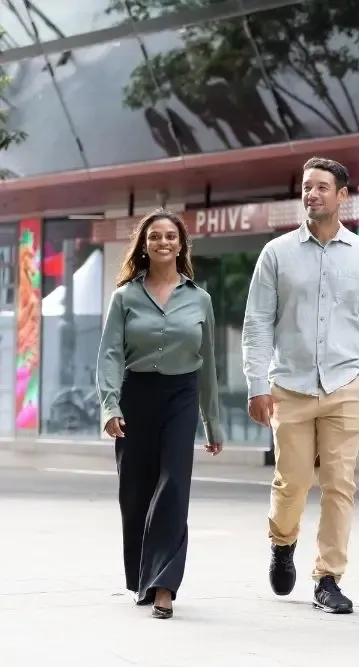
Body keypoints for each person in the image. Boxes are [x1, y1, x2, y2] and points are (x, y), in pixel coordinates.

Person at [242, 156, 359, 615]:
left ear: (342, 196)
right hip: (289, 385)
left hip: (346, 384)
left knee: (339, 483)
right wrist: (256, 383)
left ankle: (328, 577)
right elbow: (257, 324)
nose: (312, 194)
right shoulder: (277, 253)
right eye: (307, 186)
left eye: (322, 187)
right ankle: (282, 542)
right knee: (292, 482)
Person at [96, 209, 224, 619]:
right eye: (155, 237)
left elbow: (208, 364)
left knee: (173, 486)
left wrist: (212, 420)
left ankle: (165, 585)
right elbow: (110, 355)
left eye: (171, 236)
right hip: (136, 396)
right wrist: (110, 406)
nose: (163, 242)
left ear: (181, 244)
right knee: (135, 492)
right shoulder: (125, 297)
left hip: (181, 396)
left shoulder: (200, 299)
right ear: (145, 245)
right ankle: (142, 577)